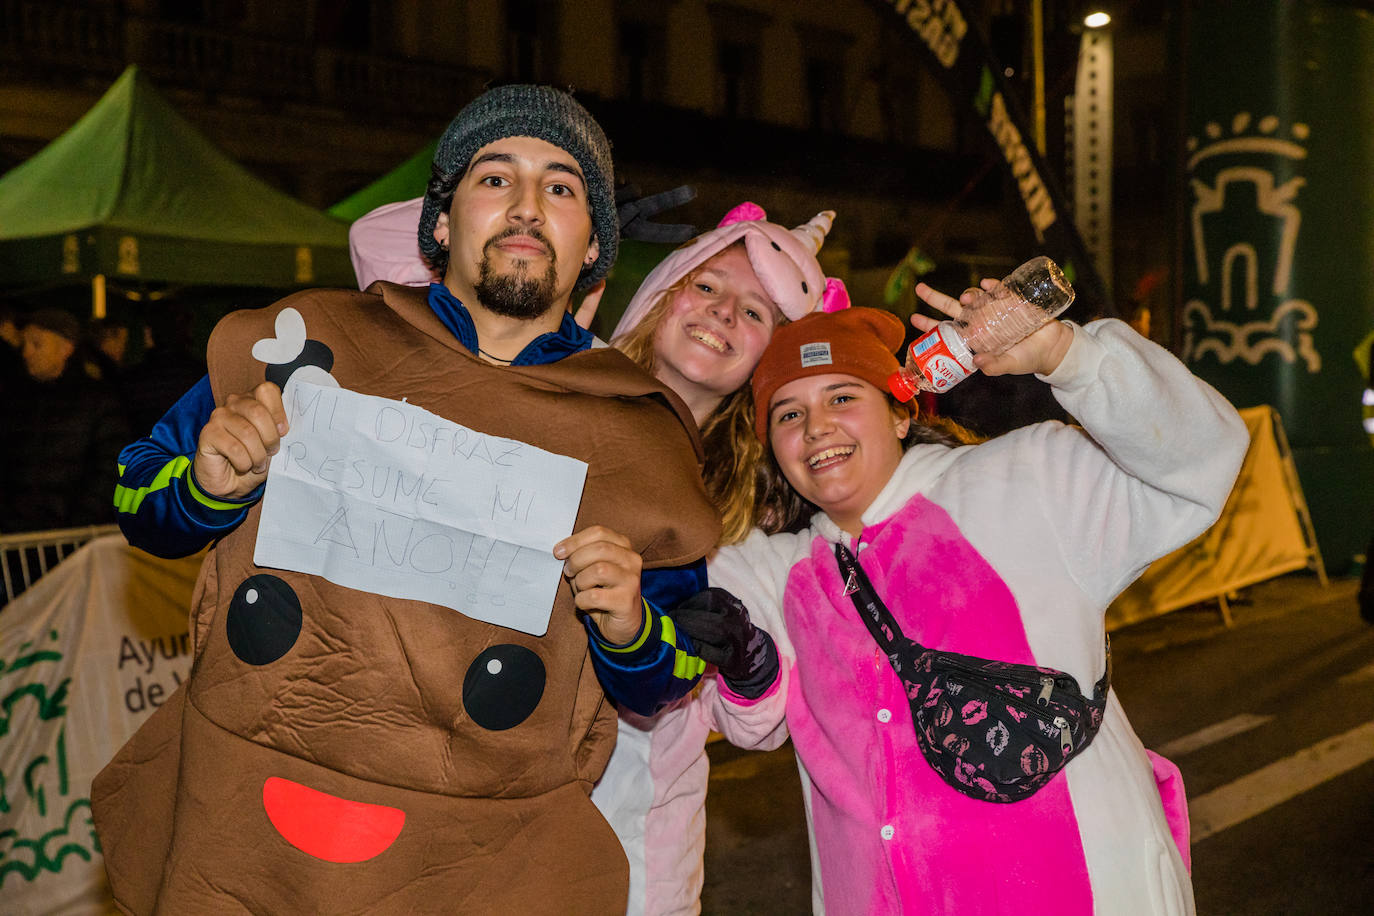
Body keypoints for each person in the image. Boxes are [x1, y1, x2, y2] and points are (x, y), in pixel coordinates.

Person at [92, 84, 722, 915]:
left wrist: (632, 627)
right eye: (495, 178)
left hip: (468, 867)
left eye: (561, 187)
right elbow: (139, 497)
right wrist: (204, 487)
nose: (528, 206)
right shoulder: (310, 343)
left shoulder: (640, 440)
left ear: (594, 245)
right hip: (245, 828)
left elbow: (672, 675)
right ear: (439, 222)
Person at [348, 196, 835, 914]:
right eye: (706, 286)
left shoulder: (744, 518)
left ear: (765, 358)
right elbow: (373, 245)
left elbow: (757, 724)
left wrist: (748, 657)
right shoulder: (545, 378)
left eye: (756, 312)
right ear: (660, 295)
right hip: (470, 820)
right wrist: (559, 222)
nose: (725, 313)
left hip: (631, 857)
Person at [708, 293, 1250, 914]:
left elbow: (1200, 458)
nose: (817, 428)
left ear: (900, 413)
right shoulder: (783, 574)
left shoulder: (1026, 480)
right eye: (787, 414)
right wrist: (746, 671)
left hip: (1083, 891)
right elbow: (748, 715)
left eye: (842, 397)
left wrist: (1064, 354)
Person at [0, 308, 128, 532]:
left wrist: (80, 519)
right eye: (25, 344)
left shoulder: (97, 400)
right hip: (17, 537)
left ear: (66, 349)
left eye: (37, 344)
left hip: (70, 538)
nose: (26, 353)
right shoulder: (13, 400)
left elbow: (111, 466)